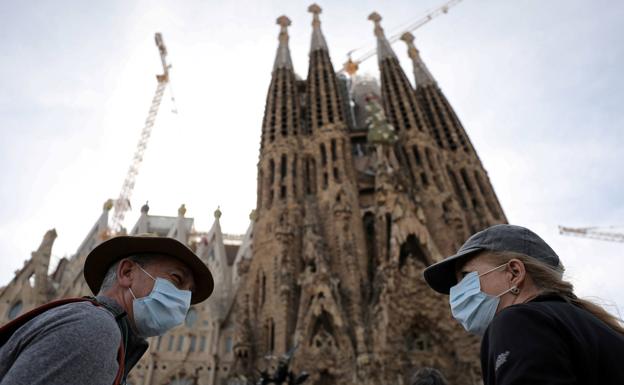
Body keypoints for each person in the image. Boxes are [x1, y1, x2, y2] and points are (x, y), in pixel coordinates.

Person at [423, 224, 624, 384]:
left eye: (466, 277)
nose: (457, 292)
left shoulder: (519, 322)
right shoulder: (590, 326)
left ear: (514, 273)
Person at [0, 235, 214, 385]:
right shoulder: (94, 330)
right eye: (176, 279)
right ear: (127, 272)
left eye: (189, 293)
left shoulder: (102, 332)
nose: (184, 301)